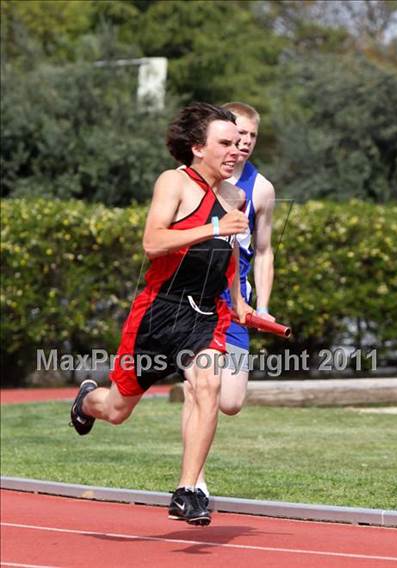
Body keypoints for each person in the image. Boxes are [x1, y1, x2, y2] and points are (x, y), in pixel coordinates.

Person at [69, 102, 253, 526]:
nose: (235, 151)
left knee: (207, 385)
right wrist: (212, 227)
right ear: (196, 148)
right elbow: (153, 242)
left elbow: (225, 256)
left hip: (204, 315)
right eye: (224, 143)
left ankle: (189, 491)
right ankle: (87, 400)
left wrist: (237, 297)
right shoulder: (175, 182)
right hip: (158, 312)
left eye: (238, 143)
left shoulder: (235, 196)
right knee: (117, 410)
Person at [182, 102, 276, 504]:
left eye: (252, 136)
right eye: (239, 135)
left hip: (237, 305)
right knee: (201, 387)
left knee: (232, 401)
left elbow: (266, 250)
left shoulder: (261, 189)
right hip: (197, 301)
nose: (245, 143)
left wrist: (264, 305)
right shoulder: (195, 181)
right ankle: (193, 480)